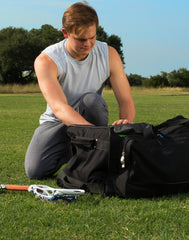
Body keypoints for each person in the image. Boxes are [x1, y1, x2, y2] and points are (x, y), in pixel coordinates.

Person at [25, 1, 135, 179]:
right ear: (65, 33)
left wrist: (126, 125)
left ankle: (94, 155)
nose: (88, 44)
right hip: (56, 122)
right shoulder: (46, 60)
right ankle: (84, 151)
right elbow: (60, 108)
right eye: (81, 39)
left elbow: (126, 100)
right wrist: (97, 135)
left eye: (92, 37)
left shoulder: (110, 54)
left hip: (89, 114)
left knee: (93, 102)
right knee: (35, 170)